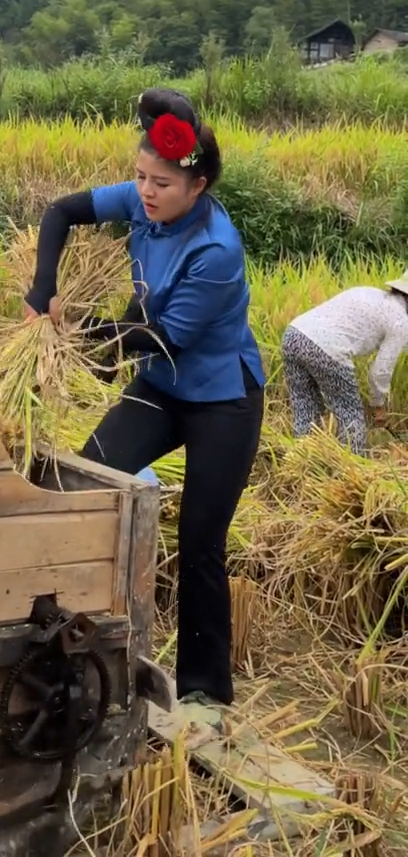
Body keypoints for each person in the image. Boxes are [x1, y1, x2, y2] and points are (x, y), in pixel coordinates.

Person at [24, 88, 264, 710]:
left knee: (200, 542)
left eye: (161, 183)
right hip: (161, 386)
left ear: (197, 185)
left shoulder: (216, 249)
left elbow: (163, 337)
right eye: (140, 177)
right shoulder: (141, 200)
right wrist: (43, 289)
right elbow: (60, 212)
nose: (146, 192)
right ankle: (68, 635)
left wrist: (78, 331)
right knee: (87, 478)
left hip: (221, 400)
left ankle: (205, 695)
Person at [282, 271, 408, 455]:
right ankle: (352, 466)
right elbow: (380, 372)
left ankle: (299, 461)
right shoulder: (400, 321)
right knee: (350, 414)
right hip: (326, 348)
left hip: (293, 335)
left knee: (305, 405)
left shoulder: (370, 292)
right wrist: (378, 404)